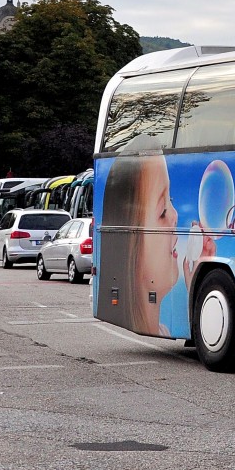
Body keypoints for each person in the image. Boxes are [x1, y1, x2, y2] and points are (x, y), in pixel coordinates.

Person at [96, 142, 214, 335]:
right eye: (163, 211)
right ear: (130, 243)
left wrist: (196, 288)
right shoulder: (164, 330)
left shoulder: (164, 330)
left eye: (172, 201)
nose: (175, 215)